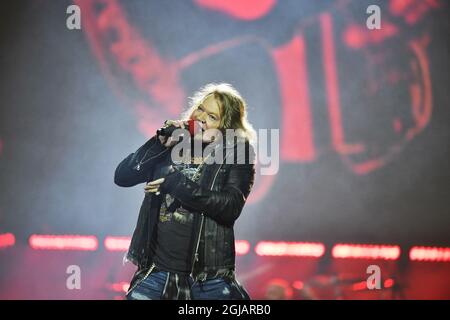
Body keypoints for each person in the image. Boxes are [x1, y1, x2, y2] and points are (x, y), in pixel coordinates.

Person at [114, 83, 257, 300]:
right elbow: (123, 177)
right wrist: (157, 143)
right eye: (200, 108)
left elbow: (230, 207)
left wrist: (176, 183)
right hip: (157, 273)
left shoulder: (237, 153)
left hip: (209, 280)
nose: (200, 117)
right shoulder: (172, 146)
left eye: (212, 117)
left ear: (225, 128)